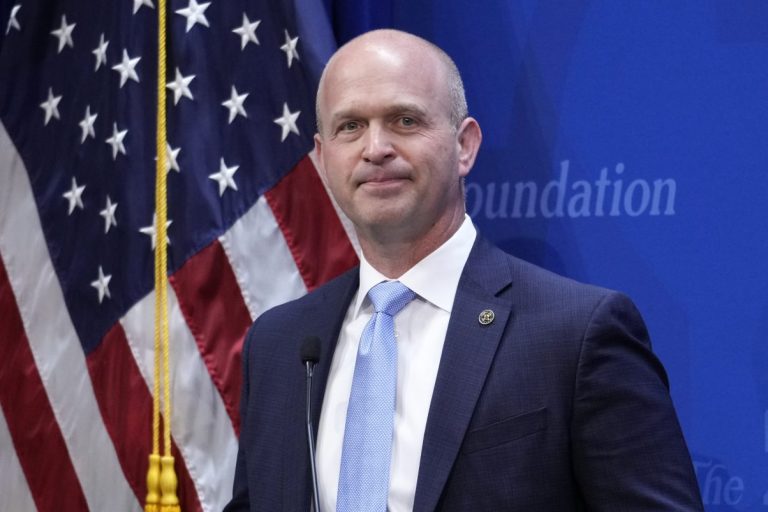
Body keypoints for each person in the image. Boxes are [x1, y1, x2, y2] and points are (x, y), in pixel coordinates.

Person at [224, 29, 703, 511]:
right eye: (350, 126)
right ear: (324, 158)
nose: (375, 148)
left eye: (404, 120)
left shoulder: (576, 334)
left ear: (465, 146)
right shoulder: (279, 344)